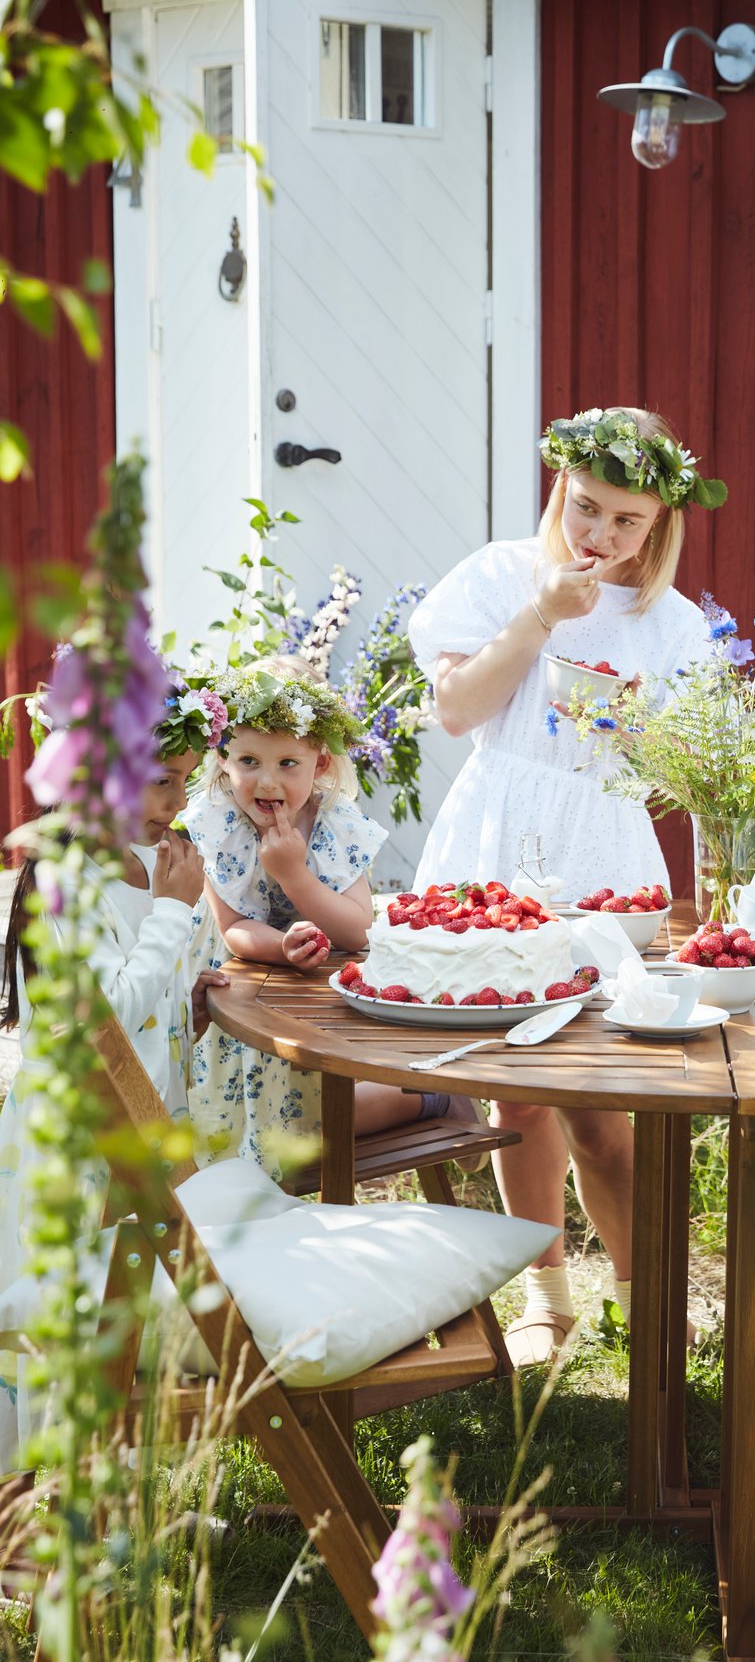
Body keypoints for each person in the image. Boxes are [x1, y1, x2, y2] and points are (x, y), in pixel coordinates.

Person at [409, 405, 726, 1365]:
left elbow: (687, 773)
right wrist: (540, 616)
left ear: (660, 524)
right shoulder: (503, 575)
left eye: (626, 523)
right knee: (519, 1096)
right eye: (587, 509)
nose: (600, 537)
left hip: (602, 855)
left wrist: (640, 735)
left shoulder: (670, 624)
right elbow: (459, 710)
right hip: (495, 841)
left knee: (599, 1097)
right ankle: (546, 1298)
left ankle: (642, 1300)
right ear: (561, 489)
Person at [0, 685, 226, 1471]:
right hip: (80, 1142)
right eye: (160, 777)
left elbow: (155, 1005)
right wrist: (171, 913)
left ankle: (129, 1503)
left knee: (126, 1311)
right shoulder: (67, 881)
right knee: (79, 1312)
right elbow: (101, 1031)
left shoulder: (150, 864)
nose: (177, 798)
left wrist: (193, 1000)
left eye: (187, 777)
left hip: (140, 1134)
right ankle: (47, 1506)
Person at [186, 663, 471, 1173]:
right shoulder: (215, 821)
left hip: (318, 992)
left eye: (287, 763)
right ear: (223, 757)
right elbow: (231, 927)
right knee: (234, 1123)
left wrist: (296, 877)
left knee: (295, 1126)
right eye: (249, 760)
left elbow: (359, 927)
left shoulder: (335, 823)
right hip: (239, 989)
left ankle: (430, 1097)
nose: (266, 781)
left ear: (319, 764)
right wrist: (280, 947)